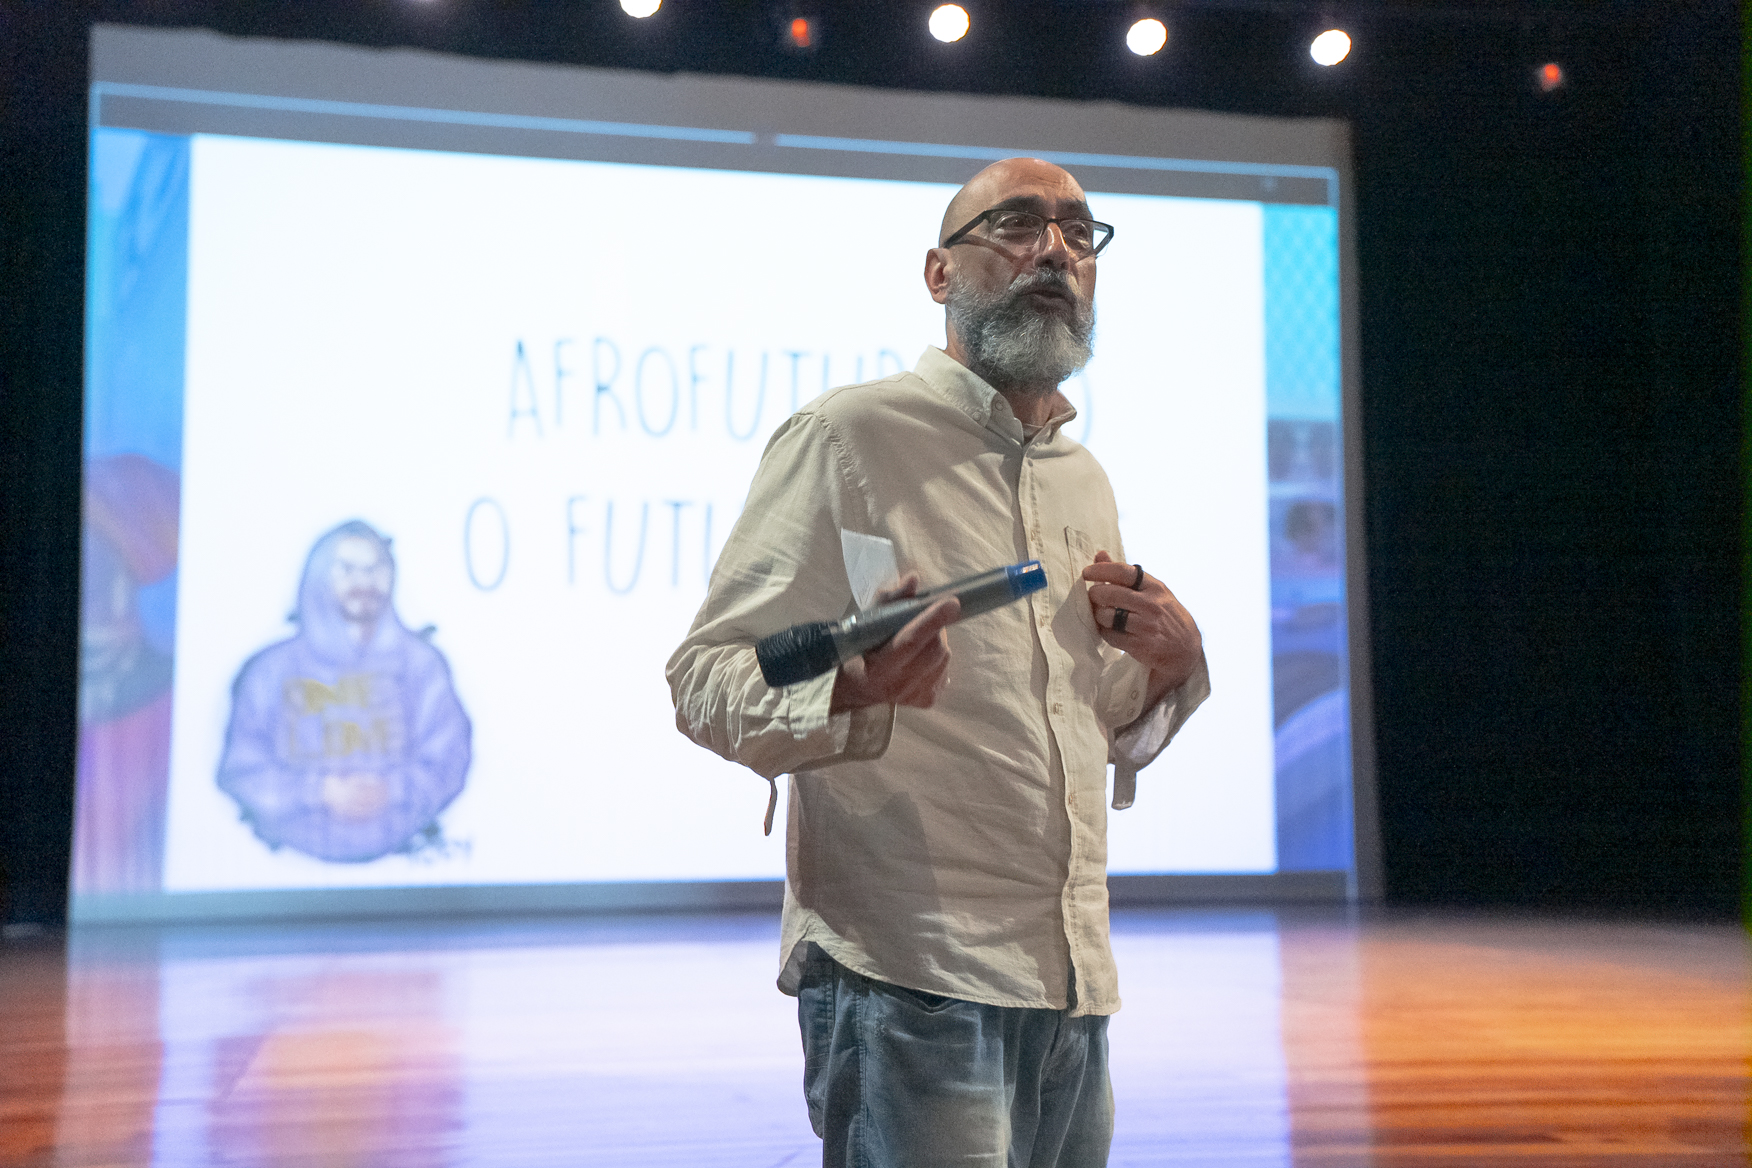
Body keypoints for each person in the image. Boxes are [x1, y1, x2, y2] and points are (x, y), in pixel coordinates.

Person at [666, 158, 1210, 1166]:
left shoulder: (1082, 478)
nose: (1055, 251)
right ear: (937, 272)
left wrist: (1172, 668)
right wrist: (847, 690)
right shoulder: (849, 437)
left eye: (1079, 233)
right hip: (910, 977)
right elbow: (705, 677)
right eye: (1018, 224)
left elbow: (1072, 717)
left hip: (1072, 985)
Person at [218, 520, 472, 863]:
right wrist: (318, 792)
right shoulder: (270, 671)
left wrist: (391, 791)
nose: (364, 583)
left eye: (375, 569)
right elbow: (241, 769)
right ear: (318, 577)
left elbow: (449, 759)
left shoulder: (423, 667)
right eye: (347, 570)